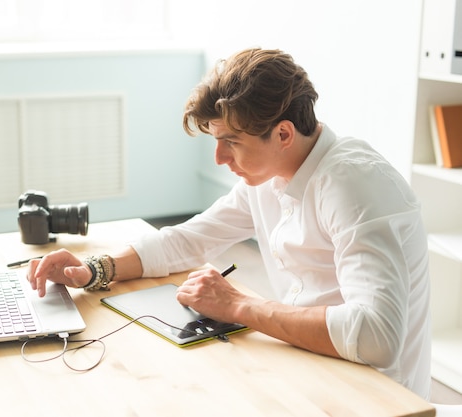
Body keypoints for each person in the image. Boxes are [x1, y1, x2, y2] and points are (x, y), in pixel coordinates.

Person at [26, 48, 431, 399]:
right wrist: (97, 269)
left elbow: (377, 338)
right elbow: (190, 239)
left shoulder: (355, 184)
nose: (219, 158)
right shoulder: (270, 174)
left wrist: (238, 304)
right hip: (304, 365)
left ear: (284, 133)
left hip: (373, 394)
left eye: (232, 142)